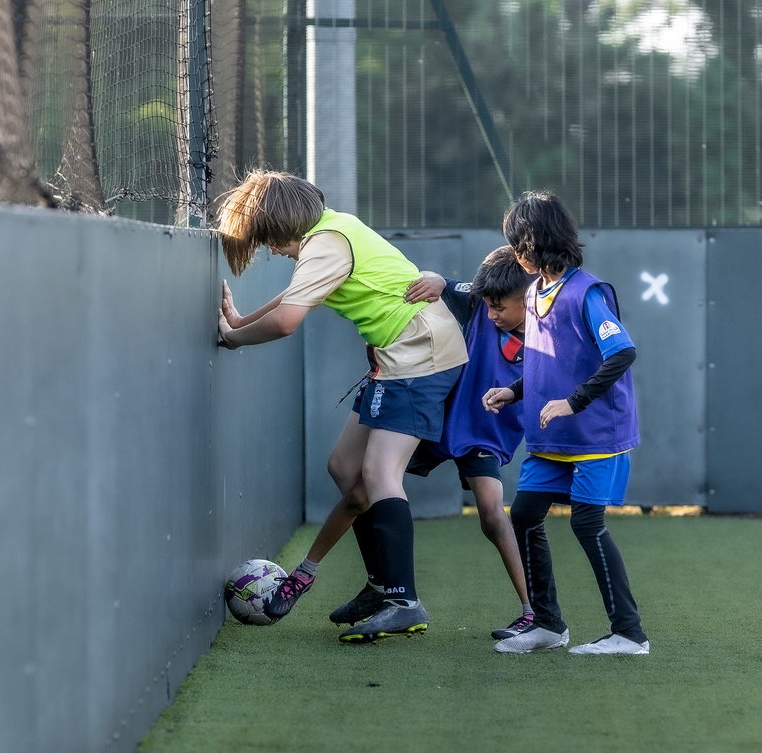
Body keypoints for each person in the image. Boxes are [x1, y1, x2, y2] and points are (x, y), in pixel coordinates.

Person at [215, 170, 468, 643]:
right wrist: (240, 318)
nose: (269, 248)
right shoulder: (329, 231)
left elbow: (288, 321)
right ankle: (379, 587)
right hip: (399, 356)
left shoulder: (326, 243)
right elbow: (293, 296)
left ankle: (403, 601)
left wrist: (233, 339)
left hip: (422, 353)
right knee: (345, 468)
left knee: (378, 474)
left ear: (282, 224)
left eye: (267, 239)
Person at [483, 191, 650, 655]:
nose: (514, 251)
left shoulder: (588, 292)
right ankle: (549, 626)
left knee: (587, 523)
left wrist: (574, 402)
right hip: (551, 437)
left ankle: (629, 634)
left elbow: (623, 352)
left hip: (596, 434)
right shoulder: (534, 291)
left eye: (517, 241)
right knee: (525, 516)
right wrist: (514, 390)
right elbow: (547, 363)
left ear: (534, 239)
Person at [402, 246, 537, 640]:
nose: (492, 314)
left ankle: (532, 612)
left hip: (485, 436)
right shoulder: (479, 304)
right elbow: (445, 284)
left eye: (500, 308)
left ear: (527, 300)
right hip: (439, 422)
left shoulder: (549, 332)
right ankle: (384, 590)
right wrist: (436, 279)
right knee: (368, 485)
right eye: (488, 305)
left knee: (493, 516)